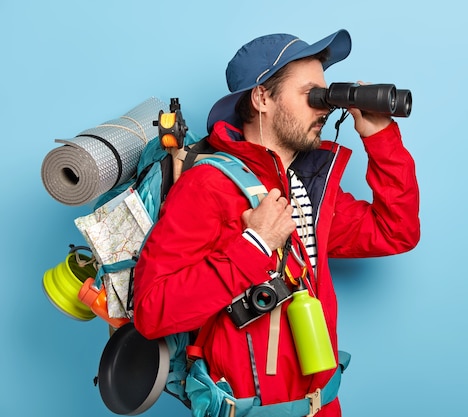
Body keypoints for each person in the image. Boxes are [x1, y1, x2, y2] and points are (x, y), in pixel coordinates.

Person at [133, 28, 420, 416]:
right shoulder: (209, 185)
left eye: (326, 95)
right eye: (311, 96)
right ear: (262, 97)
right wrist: (254, 245)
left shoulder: (303, 188)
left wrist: (382, 137)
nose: (325, 108)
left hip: (323, 406)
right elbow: (152, 312)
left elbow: (396, 231)